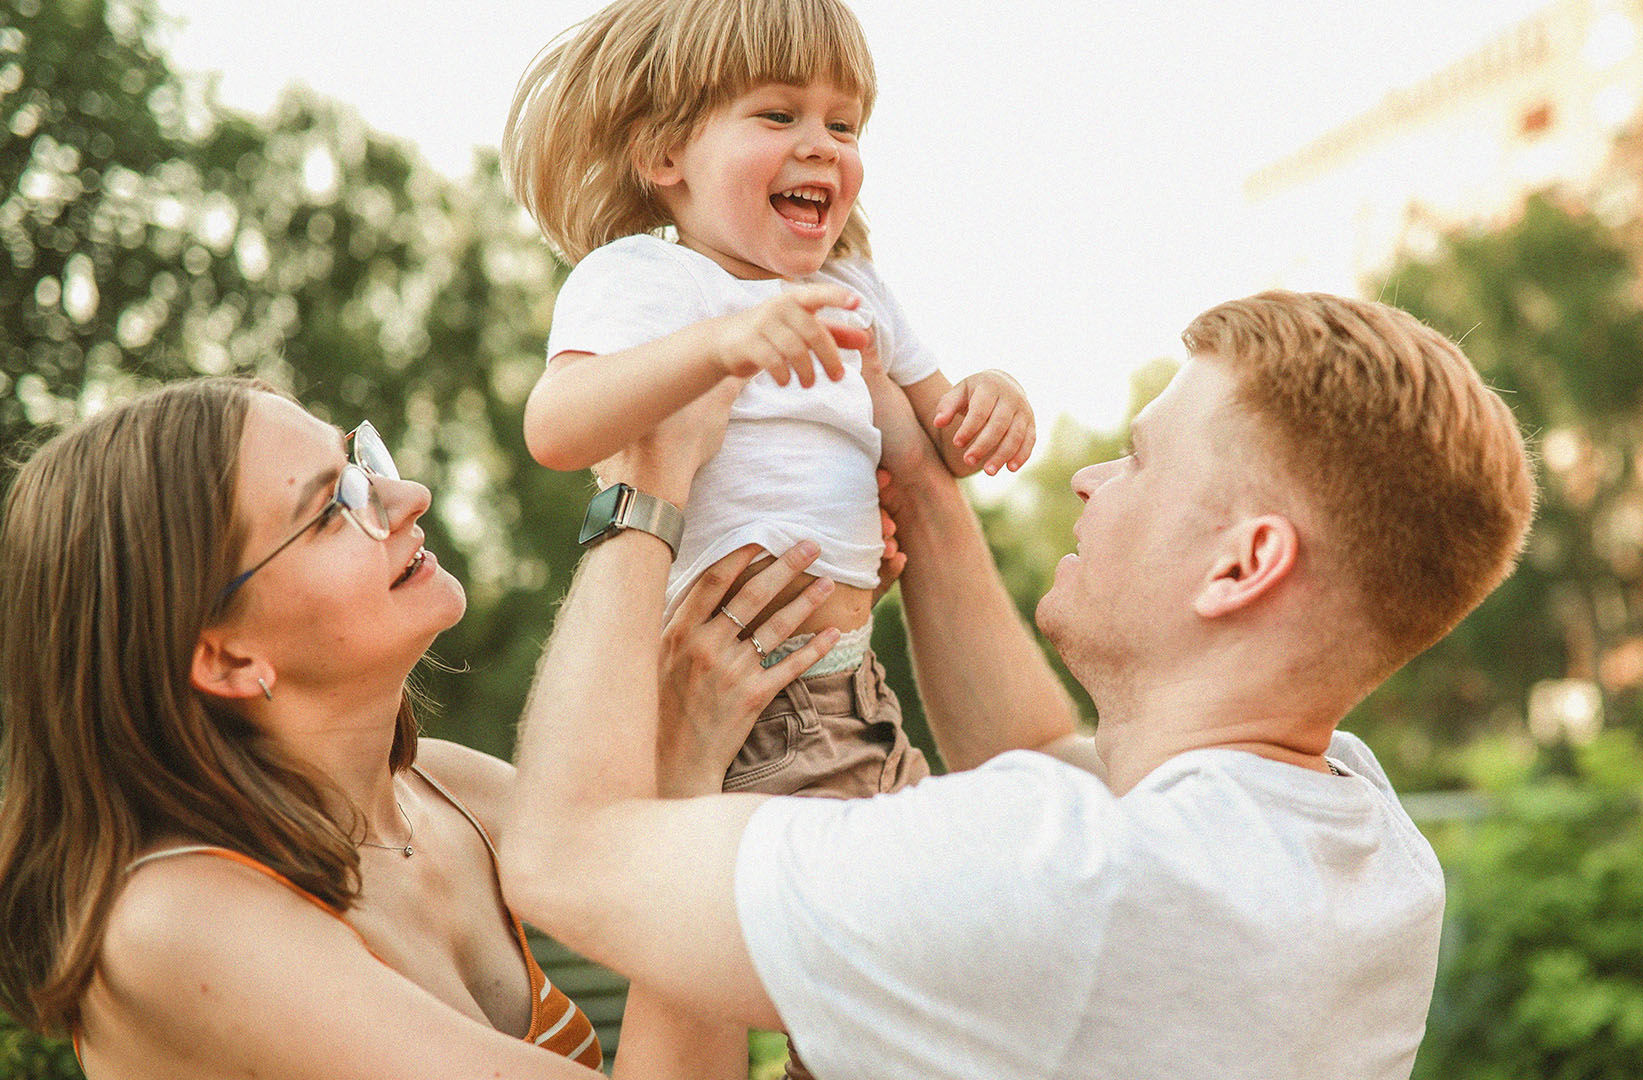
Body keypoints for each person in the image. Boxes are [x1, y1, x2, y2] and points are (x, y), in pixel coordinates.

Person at [502, 289, 1536, 1080]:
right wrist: (919, 478)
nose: (1091, 479)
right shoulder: (1369, 842)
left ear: (1242, 564)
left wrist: (645, 491)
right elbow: (1041, 757)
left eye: (1138, 460)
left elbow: (562, 859)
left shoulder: (1065, 888)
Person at [0, 377, 842, 1079]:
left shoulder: (450, 789)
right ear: (224, 658)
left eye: (358, 462)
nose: (408, 498)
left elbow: (801, 944)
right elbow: (681, 890)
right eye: (333, 508)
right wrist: (642, 505)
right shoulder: (174, 923)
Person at [500, 0, 1035, 801]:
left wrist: (996, 396)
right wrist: (719, 347)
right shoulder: (652, 277)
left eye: (844, 125)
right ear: (665, 154)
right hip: (748, 710)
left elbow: (944, 444)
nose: (822, 145)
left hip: (858, 688)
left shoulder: (854, 289)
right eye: (779, 115)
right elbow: (555, 426)